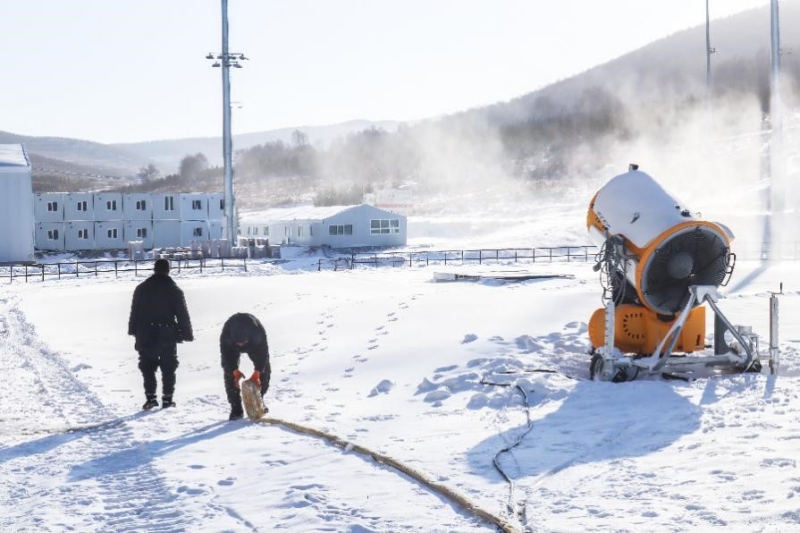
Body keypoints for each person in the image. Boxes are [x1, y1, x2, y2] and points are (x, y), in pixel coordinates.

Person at [128, 258, 194, 410]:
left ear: (154, 269)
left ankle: (151, 398)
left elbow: (134, 312)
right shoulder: (174, 290)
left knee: (147, 366)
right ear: (168, 270)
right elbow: (182, 314)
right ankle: (167, 399)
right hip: (167, 333)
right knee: (168, 367)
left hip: (145, 333)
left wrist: (133, 330)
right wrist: (187, 334)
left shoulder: (141, 288)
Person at [220, 312, 271, 420]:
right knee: (229, 372)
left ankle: (259, 401)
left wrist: (257, 372)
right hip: (231, 346)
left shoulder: (257, 332)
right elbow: (226, 355)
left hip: (253, 344)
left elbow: (263, 353)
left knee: (264, 369)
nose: (241, 346)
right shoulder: (227, 335)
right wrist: (234, 370)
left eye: (243, 343)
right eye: (239, 344)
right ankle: (236, 408)